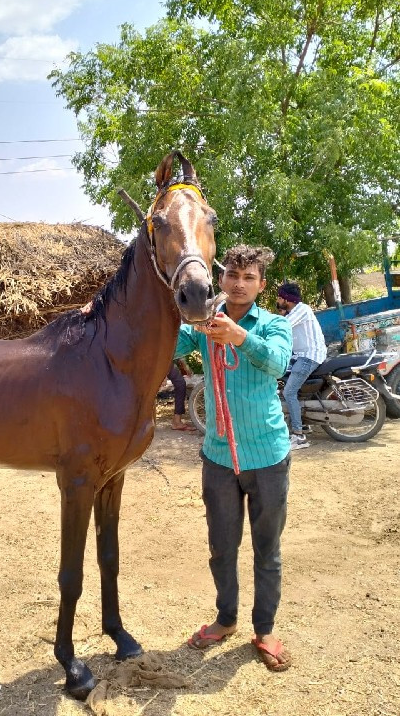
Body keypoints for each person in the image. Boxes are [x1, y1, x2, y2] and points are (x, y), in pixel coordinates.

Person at [174, 245, 293, 671]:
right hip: (219, 458)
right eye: (232, 276)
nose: (238, 284)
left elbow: (278, 363)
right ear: (220, 280)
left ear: (261, 286)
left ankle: (264, 630)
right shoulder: (203, 325)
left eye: (249, 278)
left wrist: (240, 337)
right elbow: (167, 344)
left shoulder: (276, 324)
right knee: (222, 548)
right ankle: (225, 620)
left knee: (268, 549)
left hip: (268, 457)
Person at [276, 281, 327, 450]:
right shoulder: (293, 312)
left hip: (309, 357)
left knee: (289, 391)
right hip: (300, 356)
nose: (277, 299)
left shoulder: (301, 310)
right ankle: (302, 423)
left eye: (279, 297)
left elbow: (281, 327)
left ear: (286, 299)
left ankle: (299, 435)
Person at [167, 360, 197, 432]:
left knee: (180, 383)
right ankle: (177, 422)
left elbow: (176, 352)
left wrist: (185, 366)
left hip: (165, 361)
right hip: (159, 360)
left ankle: (177, 421)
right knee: (180, 383)